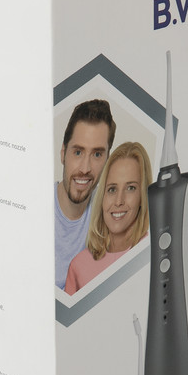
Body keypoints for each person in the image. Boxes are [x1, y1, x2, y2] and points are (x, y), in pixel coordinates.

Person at [64, 141, 152, 295]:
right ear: (102, 196)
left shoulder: (153, 254)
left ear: (143, 196)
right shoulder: (78, 266)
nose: (118, 201)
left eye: (130, 188)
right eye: (112, 189)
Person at [55, 99, 116, 289]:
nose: (85, 168)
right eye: (78, 152)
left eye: (97, 154)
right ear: (63, 153)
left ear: (107, 159)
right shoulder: (33, 207)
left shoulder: (111, 214)